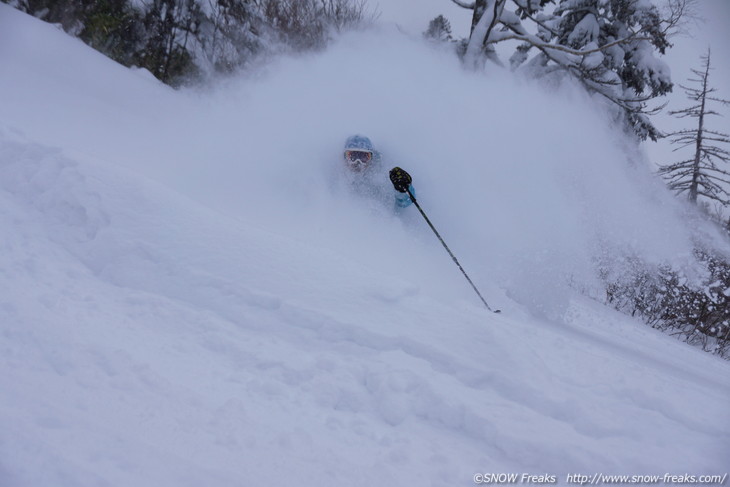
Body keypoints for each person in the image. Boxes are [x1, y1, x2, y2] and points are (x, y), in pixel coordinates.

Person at [342, 134, 415, 209]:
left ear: (371, 159)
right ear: (344, 157)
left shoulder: (379, 179)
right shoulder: (337, 179)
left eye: (364, 157)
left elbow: (405, 202)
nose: (358, 162)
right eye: (352, 157)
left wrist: (403, 189)